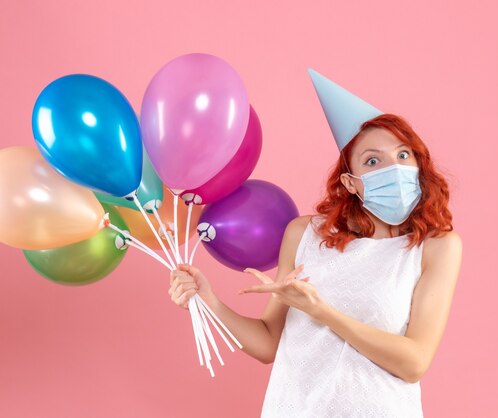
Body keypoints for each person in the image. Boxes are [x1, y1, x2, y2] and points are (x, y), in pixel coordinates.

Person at [168, 69, 462, 417]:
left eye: (403, 155)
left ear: (418, 164)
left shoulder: (436, 246)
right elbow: (267, 342)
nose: (393, 169)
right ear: (351, 183)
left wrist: (320, 312)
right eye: (372, 161)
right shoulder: (304, 235)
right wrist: (209, 302)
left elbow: (414, 362)